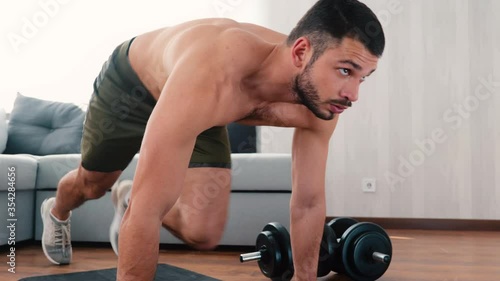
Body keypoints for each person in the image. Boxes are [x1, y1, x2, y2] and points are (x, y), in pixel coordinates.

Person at [40, 0, 385, 280]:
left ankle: (127, 195)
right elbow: (147, 213)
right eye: (345, 70)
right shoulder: (213, 79)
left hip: (200, 105)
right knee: (94, 184)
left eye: (363, 78)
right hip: (132, 86)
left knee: (203, 231)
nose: (353, 94)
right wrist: (145, 204)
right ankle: (57, 211)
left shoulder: (323, 102)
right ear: (300, 53)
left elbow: (308, 202)